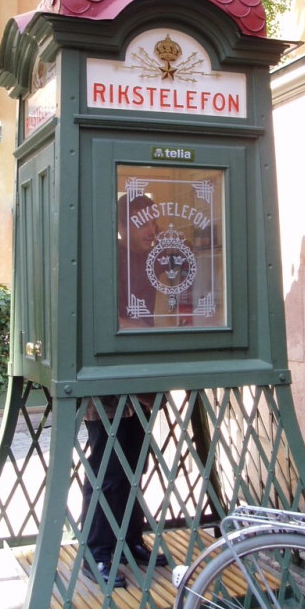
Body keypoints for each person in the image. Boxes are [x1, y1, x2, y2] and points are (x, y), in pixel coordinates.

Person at [81, 194, 168, 588]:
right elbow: (107, 317)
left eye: (155, 221)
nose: (153, 229)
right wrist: (154, 331)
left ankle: (129, 539)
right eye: (144, 221)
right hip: (110, 377)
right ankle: (97, 551)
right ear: (122, 226)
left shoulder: (149, 260)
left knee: (135, 463)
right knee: (108, 467)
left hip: (143, 374)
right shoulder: (110, 259)